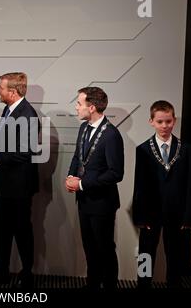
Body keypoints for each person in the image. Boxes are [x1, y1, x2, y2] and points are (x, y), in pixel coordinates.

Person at [0, 72, 40, 288]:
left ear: (12, 92)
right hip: (5, 185)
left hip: (20, 187)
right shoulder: (8, 110)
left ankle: (26, 275)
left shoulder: (27, 114)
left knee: (22, 231)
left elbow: (27, 152)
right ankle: (0, 272)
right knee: (2, 231)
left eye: (1, 88)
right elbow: (5, 139)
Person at [132, 100, 191, 288]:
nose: (164, 126)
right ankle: (142, 286)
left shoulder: (186, 149)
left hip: (177, 213)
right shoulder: (143, 150)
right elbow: (139, 185)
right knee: (145, 254)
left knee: (175, 255)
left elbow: (189, 185)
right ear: (151, 121)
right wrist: (140, 217)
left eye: (168, 121)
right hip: (150, 214)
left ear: (174, 120)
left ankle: (174, 285)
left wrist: (188, 217)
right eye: (160, 121)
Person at [65, 86, 124, 290]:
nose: (76, 106)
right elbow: (77, 157)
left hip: (102, 204)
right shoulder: (83, 127)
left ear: (91, 107)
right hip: (84, 201)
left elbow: (116, 173)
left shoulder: (111, 135)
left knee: (105, 249)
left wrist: (81, 184)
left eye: (79, 103)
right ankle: (92, 284)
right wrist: (71, 176)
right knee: (89, 248)